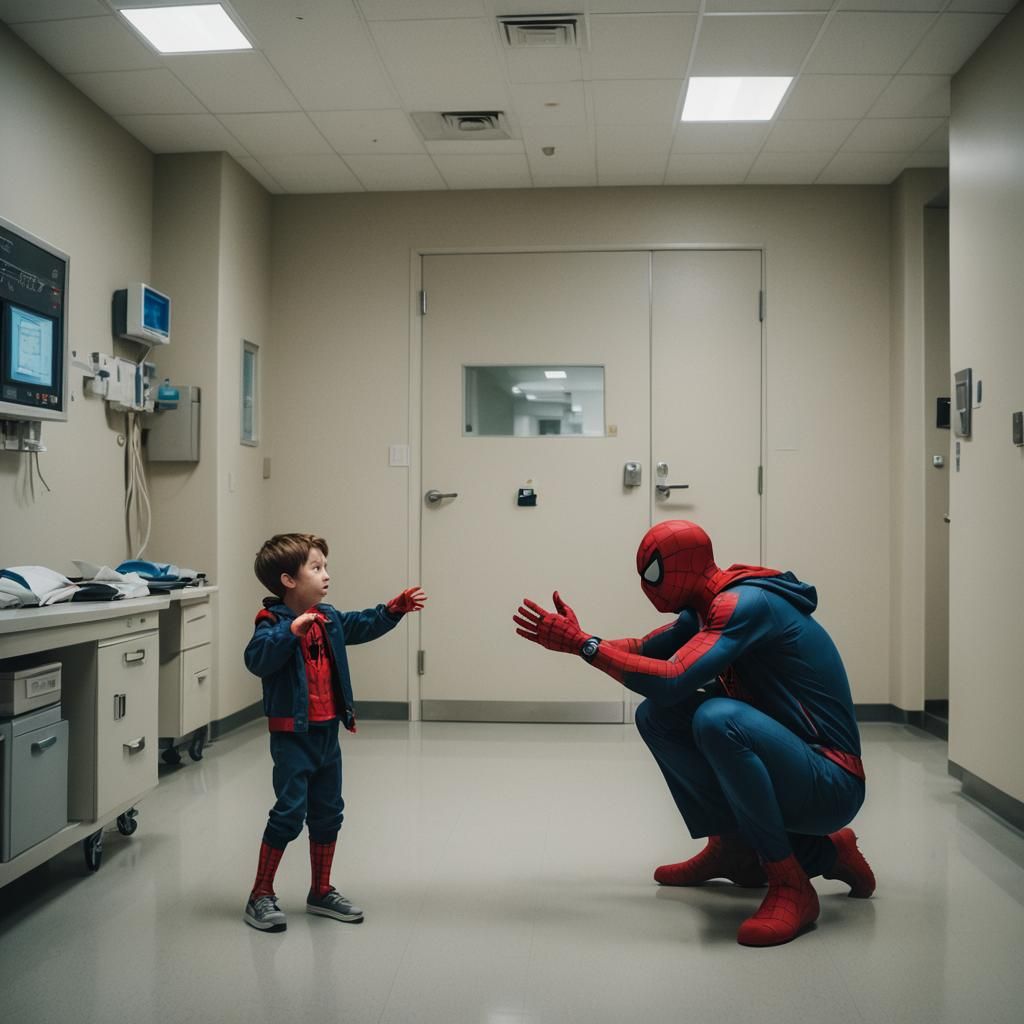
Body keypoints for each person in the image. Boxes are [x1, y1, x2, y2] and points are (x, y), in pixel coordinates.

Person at [513, 519, 874, 947]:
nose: (647, 586)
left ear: (686, 564)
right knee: (657, 716)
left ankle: (792, 883)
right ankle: (735, 847)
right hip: (794, 761)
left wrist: (586, 646)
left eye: (653, 573)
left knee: (718, 718)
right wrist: (577, 638)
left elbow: (673, 677)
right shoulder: (704, 610)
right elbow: (645, 649)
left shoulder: (743, 604)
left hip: (831, 780)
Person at [243, 532, 426, 933]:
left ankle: (320, 890)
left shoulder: (328, 618)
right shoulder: (271, 622)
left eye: (325, 566)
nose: (326, 574)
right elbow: (256, 658)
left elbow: (361, 624)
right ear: (289, 580)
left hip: (327, 735)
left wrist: (392, 610)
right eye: (317, 567)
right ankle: (260, 893)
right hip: (293, 736)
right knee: (290, 812)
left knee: (329, 812)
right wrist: (290, 633)